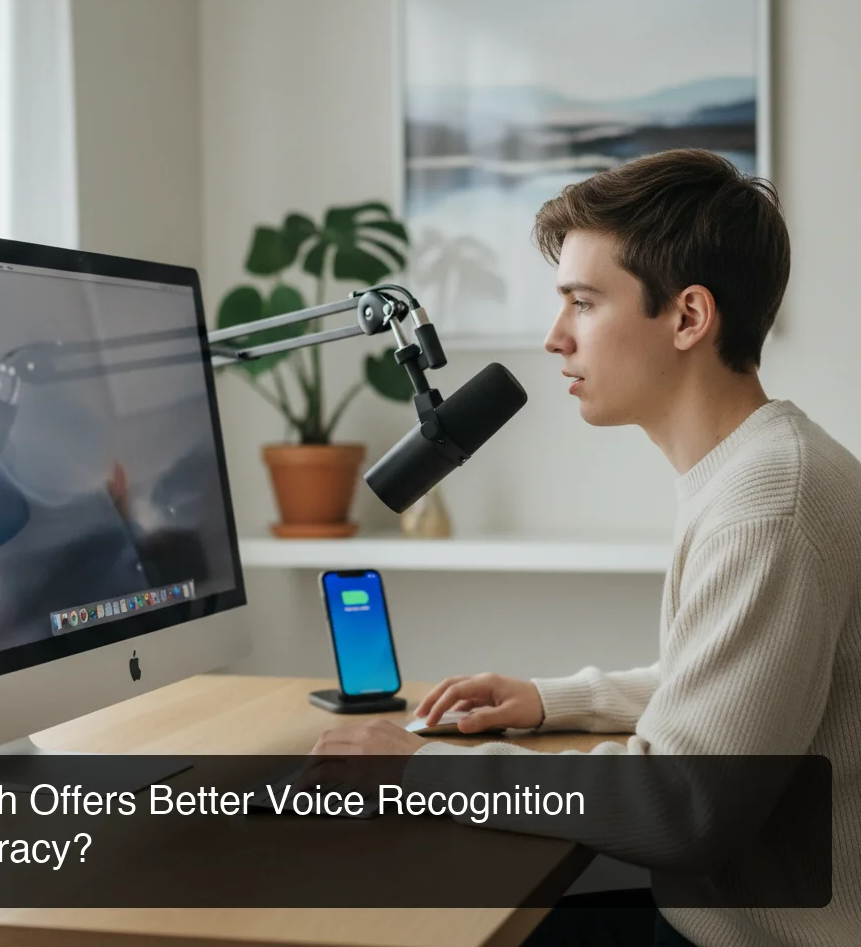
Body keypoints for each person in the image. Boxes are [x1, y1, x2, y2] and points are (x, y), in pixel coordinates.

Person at [309, 149, 861, 946]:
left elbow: (681, 807)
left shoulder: (766, 506)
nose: (554, 337)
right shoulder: (763, 468)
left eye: (583, 303)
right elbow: (732, 694)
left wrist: (422, 771)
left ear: (688, 317)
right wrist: (552, 700)